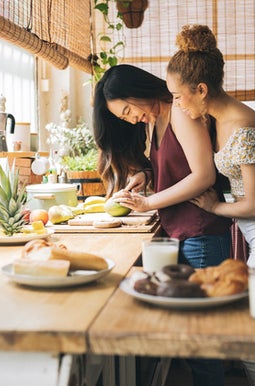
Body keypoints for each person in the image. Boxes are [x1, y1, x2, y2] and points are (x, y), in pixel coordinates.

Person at [166, 24, 255, 386]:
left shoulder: (243, 126)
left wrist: (215, 207)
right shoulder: (217, 118)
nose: (177, 104)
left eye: (179, 96)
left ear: (201, 90)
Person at [93, 64, 233, 385]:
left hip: (201, 234)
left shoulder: (180, 113)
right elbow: (176, 169)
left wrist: (147, 203)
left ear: (139, 90)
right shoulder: (155, 121)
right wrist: (145, 176)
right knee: (193, 338)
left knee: (203, 342)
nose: (130, 118)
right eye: (123, 117)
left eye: (128, 109)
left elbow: (203, 176)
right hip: (183, 234)